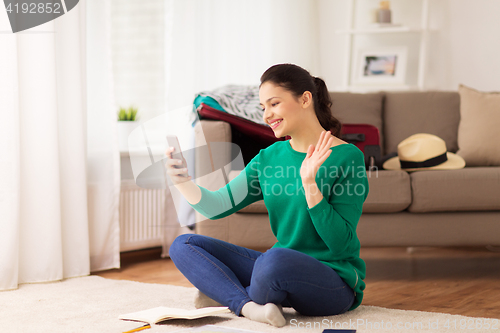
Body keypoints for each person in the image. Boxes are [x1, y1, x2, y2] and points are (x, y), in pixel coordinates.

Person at [165, 63, 368, 327]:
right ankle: (249, 306)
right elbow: (217, 205)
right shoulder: (268, 158)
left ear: (305, 99)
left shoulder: (347, 157)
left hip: (333, 281)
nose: (267, 115)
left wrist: (310, 186)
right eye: (263, 108)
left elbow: (341, 245)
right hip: (277, 267)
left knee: (273, 261)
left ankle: (227, 293)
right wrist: (182, 182)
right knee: (184, 244)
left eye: (274, 104)